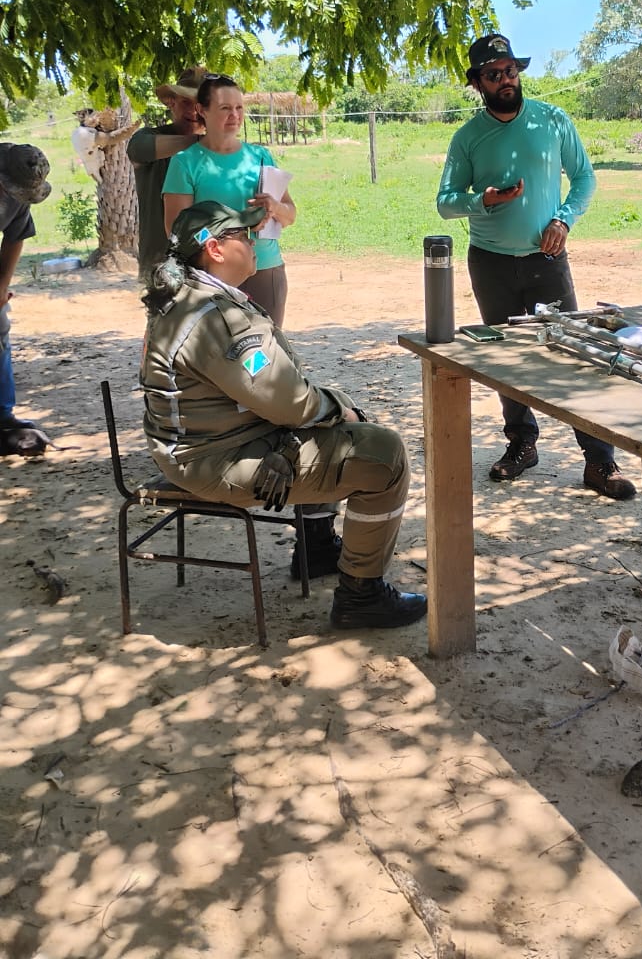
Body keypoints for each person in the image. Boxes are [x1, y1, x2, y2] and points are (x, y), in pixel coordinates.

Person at [140, 201, 427, 629]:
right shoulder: (217, 317)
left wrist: (326, 409)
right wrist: (337, 405)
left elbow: (272, 393)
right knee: (383, 456)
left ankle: (317, 548)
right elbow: (287, 402)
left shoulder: (188, 299)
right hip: (214, 458)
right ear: (215, 249)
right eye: (244, 234)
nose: (255, 240)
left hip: (198, 447)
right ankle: (361, 595)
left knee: (332, 426)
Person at [437, 34, 636, 500]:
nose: (505, 80)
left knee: (571, 356)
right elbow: (446, 203)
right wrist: (480, 201)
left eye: (510, 70)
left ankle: (599, 461)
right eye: (493, 74)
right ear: (477, 83)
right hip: (490, 263)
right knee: (509, 359)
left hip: (547, 259)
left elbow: (584, 177)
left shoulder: (552, 120)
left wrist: (564, 219)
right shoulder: (467, 137)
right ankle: (522, 444)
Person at [162, 73, 295, 325]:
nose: (234, 115)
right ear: (202, 110)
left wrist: (274, 207)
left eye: (239, 107)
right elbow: (176, 230)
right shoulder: (185, 163)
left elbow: (291, 214)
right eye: (225, 108)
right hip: (212, 278)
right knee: (219, 358)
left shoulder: (260, 156)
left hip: (266, 270)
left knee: (264, 356)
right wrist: (231, 233)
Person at [127, 66, 206, 279]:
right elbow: (137, 149)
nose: (193, 111)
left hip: (207, 261)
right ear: (171, 102)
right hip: (160, 262)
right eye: (185, 102)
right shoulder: (146, 138)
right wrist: (207, 142)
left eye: (200, 105)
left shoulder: (218, 152)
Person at [0, 144, 52, 455]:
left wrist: (1, 286)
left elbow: (15, 237)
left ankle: (3, 415)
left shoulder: (18, 195)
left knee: (0, 325)